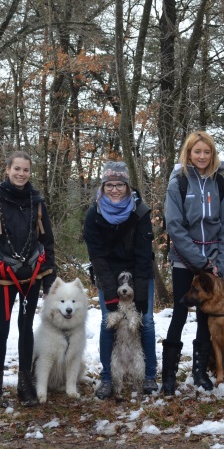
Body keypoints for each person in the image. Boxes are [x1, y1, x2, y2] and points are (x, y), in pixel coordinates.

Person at [0, 151, 56, 407]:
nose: (21, 174)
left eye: (26, 170)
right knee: (1, 329)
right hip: (2, 280)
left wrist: (49, 282)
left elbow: (48, 242)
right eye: (17, 169)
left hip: (31, 278)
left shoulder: (38, 203)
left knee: (26, 329)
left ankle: (24, 383)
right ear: (7, 169)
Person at [162, 132, 224, 395]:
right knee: (180, 314)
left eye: (207, 152)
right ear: (189, 154)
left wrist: (220, 264)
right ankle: (168, 376)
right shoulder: (178, 183)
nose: (202, 157)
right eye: (197, 152)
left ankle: (199, 371)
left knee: (206, 317)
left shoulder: (221, 184)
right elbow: (174, 225)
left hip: (213, 262)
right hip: (185, 260)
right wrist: (199, 261)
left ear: (212, 154)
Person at [83, 161, 158, 398]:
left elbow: (144, 256)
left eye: (119, 185)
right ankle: (107, 378)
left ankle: (149, 376)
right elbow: (97, 257)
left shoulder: (141, 211)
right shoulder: (93, 214)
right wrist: (112, 295)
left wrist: (142, 295)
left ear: (128, 186)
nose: (114, 189)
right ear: (103, 186)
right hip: (108, 275)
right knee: (108, 321)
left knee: (146, 320)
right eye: (109, 185)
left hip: (139, 272)